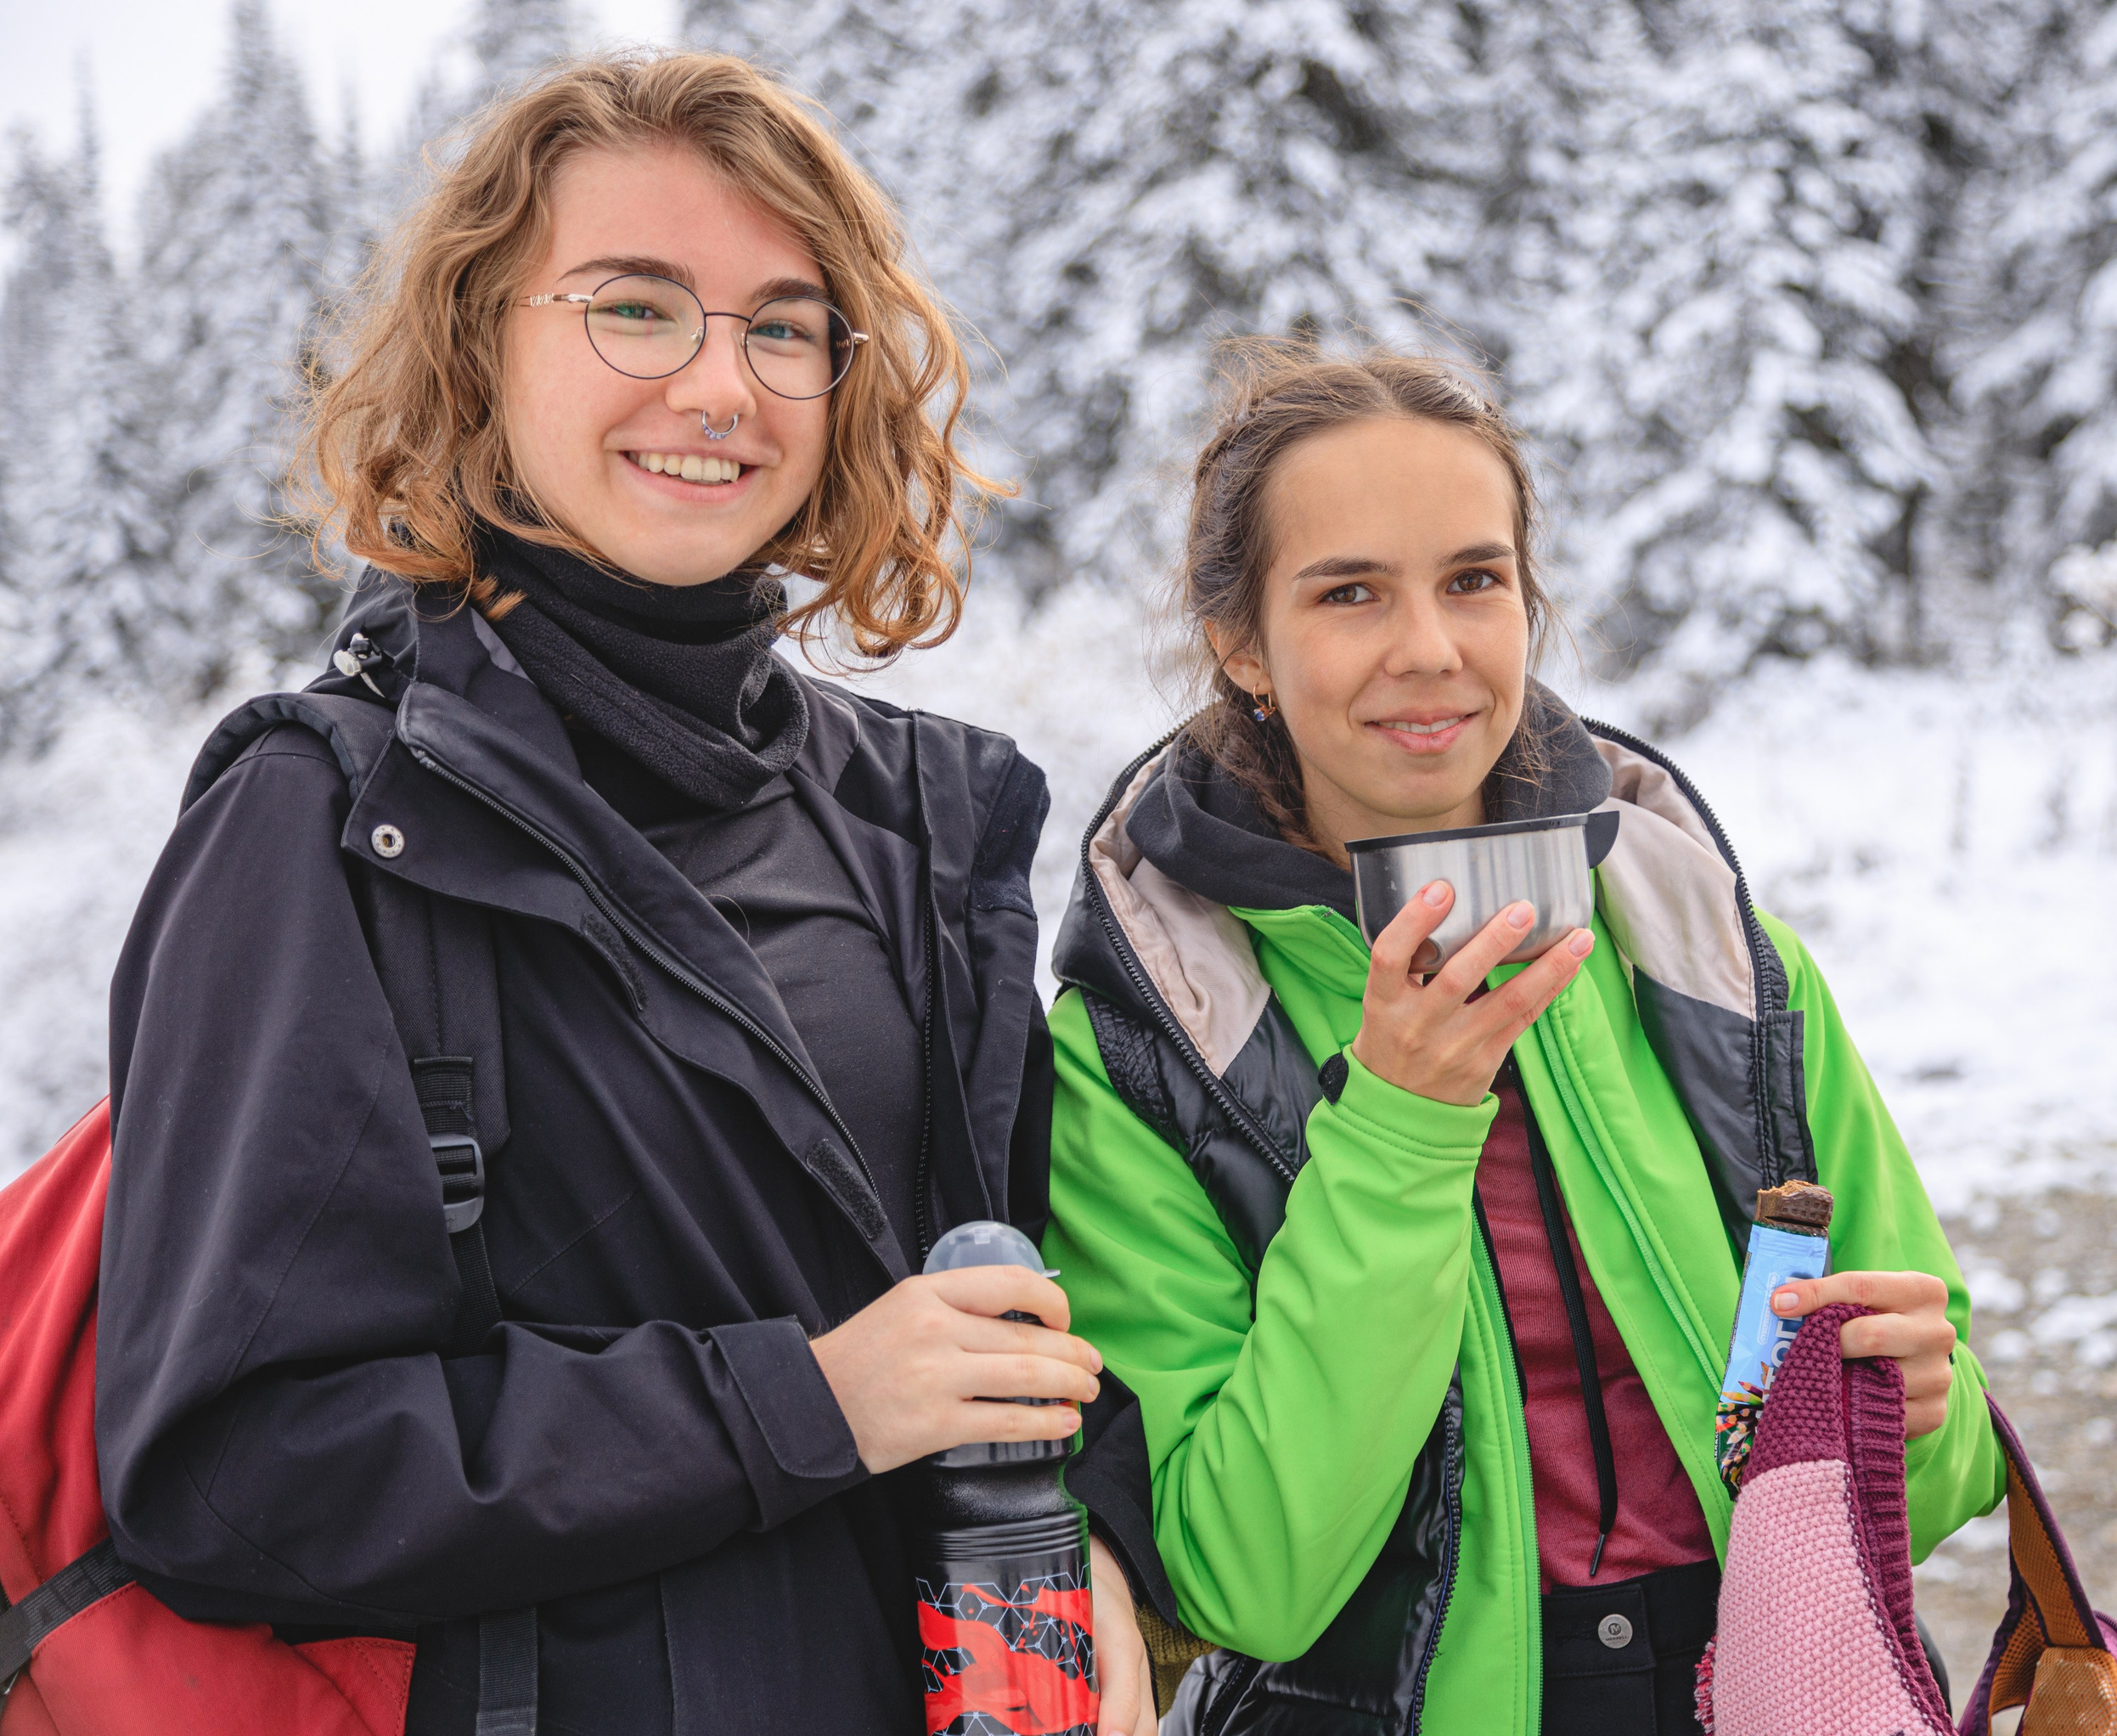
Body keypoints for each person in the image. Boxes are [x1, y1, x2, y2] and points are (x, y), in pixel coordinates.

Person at [94, 51, 1154, 1736]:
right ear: (480, 347)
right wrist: (797, 1401)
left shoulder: (922, 816)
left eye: (783, 324)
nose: (720, 385)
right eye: (634, 309)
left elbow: (1030, 1293)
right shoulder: (326, 822)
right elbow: (232, 1469)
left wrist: (1094, 1528)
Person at [1041, 344, 2005, 1733]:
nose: (1429, 647)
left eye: (1474, 580)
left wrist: (1919, 1406)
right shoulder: (1149, 1040)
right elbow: (1242, 1574)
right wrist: (1398, 1122)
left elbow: (1941, 1472)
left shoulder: (1709, 949)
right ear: (1242, 642)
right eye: (1351, 591)